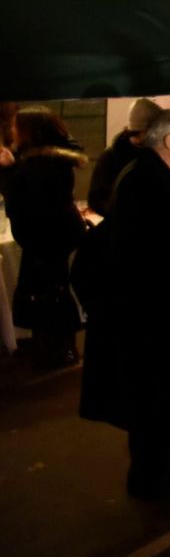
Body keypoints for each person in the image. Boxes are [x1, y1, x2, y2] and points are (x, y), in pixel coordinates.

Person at [107, 109, 170, 499]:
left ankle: (164, 460)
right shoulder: (147, 181)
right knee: (153, 396)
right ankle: (150, 475)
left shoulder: (157, 176)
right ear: (169, 141)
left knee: (163, 394)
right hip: (151, 314)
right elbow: (158, 252)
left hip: (157, 311)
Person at [0, 108, 87, 368]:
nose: (13, 131)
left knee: (48, 292)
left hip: (48, 236)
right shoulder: (48, 158)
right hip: (57, 232)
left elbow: (23, 200)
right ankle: (54, 345)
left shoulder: (42, 164)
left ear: (30, 130)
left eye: (17, 126)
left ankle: (56, 348)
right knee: (50, 289)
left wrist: (7, 170)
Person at [88, 97, 161, 215]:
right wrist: (126, 217)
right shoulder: (110, 158)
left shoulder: (157, 153)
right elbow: (96, 199)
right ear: (147, 130)